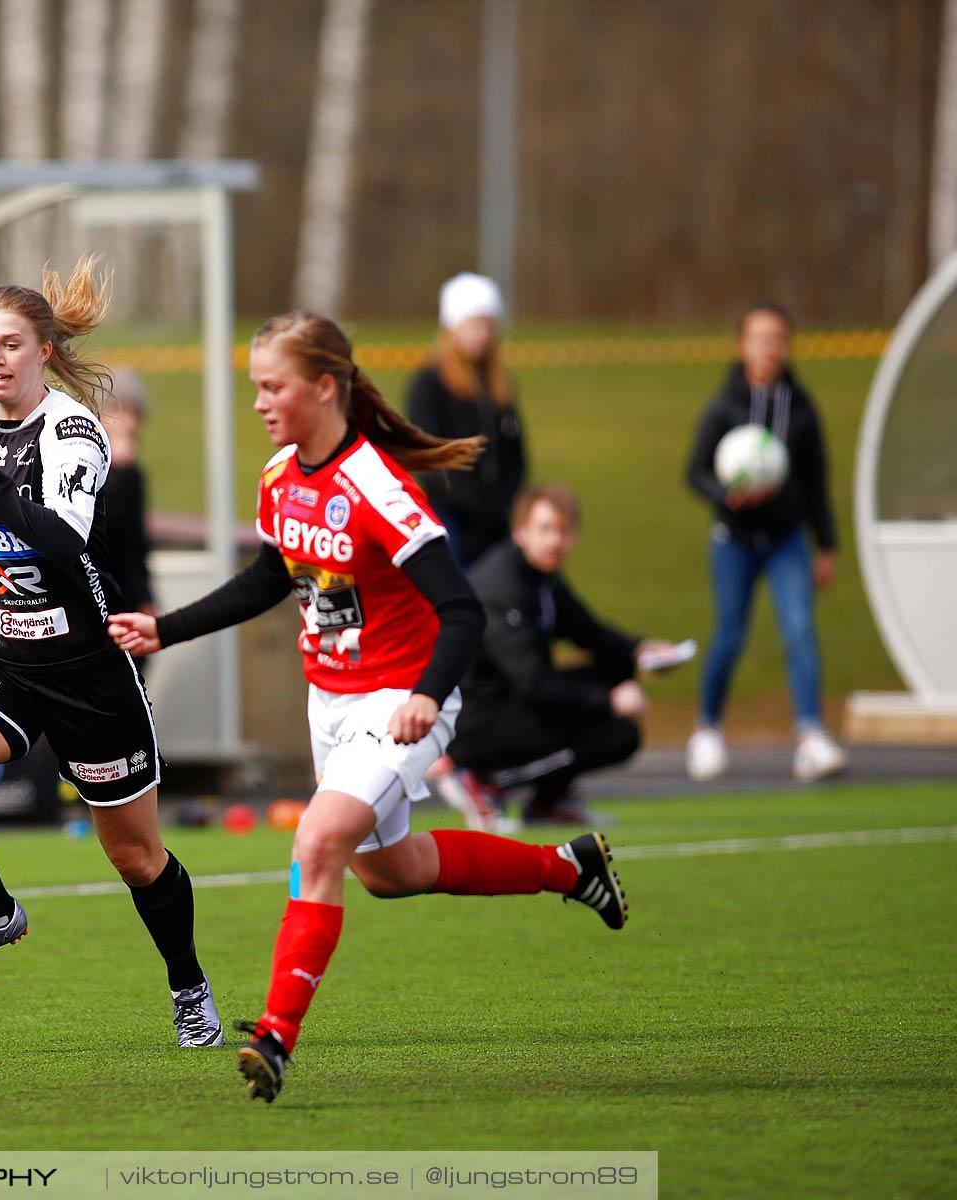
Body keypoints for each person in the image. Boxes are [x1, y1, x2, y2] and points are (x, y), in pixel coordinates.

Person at [108, 312, 626, 1103]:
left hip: (400, 700)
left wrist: (426, 695)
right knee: (390, 871)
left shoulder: (378, 485)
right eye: (254, 387)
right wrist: (165, 629)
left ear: (323, 387)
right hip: (333, 705)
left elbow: (462, 610)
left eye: (271, 386)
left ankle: (275, 1037)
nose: (258, 402)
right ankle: (570, 867)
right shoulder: (282, 474)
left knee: (316, 844)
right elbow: (269, 578)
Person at [0, 254, 223, 1049]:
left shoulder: (75, 430)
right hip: (4, 652)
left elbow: (60, 541)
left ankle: (189, 987)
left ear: (43, 351)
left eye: (10, 344)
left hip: (86, 666)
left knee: (135, 856)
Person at [441, 483, 681, 828]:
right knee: (619, 735)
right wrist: (608, 701)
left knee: (617, 669)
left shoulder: (543, 578)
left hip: (513, 701)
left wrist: (642, 652)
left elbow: (589, 632)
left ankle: (548, 803)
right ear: (520, 532)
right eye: (545, 529)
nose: (555, 540)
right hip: (475, 721)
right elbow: (532, 684)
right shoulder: (502, 586)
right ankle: (481, 781)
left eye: (564, 530)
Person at [684, 303, 846, 783]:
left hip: (786, 542)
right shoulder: (724, 405)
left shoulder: (801, 407)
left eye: (778, 338)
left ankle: (811, 735)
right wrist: (725, 496)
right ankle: (707, 730)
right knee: (730, 635)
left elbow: (817, 480)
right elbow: (694, 471)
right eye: (759, 338)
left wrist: (827, 545)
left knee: (799, 631)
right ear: (742, 344)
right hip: (733, 541)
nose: (769, 348)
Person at [405, 272, 526, 566]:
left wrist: (504, 500)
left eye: (488, 325)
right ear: (452, 326)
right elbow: (429, 455)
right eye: (474, 324)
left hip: (495, 521)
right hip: (450, 520)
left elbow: (516, 451)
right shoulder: (429, 383)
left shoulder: (496, 384)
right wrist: (473, 501)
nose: (483, 334)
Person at [96, 366, 155, 614]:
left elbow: (134, 543)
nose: (130, 424)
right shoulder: (79, 466)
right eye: (120, 412)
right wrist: (115, 472)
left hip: (126, 601)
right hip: (89, 599)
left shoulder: (131, 476)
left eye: (135, 414)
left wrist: (145, 599)